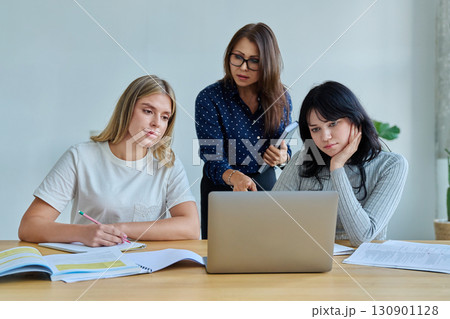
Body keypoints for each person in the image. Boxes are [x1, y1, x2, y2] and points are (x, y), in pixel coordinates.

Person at [19, 75, 200, 246]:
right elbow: (30, 226)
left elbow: (191, 227)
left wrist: (119, 229)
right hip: (91, 265)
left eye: (165, 117)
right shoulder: (81, 156)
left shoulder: (167, 163)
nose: (157, 123)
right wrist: (82, 233)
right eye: (148, 111)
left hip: (146, 267)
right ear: (127, 110)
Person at [273, 81, 408, 246]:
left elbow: (362, 238)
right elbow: (272, 219)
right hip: (308, 260)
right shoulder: (303, 161)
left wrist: (337, 168)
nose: (325, 137)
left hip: (363, 268)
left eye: (332, 124)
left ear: (355, 120)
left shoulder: (391, 165)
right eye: (316, 129)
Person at [195, 23, 293, 239]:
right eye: (237, 57)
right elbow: (212, 159)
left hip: (265, 187)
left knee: (267, 255)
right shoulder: (209, 98)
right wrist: (235, 177)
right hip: (222, 190)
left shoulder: (281, 98)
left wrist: (283, 157)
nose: (243, 67)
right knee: (222, 260)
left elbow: (286, 151)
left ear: (268, 63)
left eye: (254, 61)